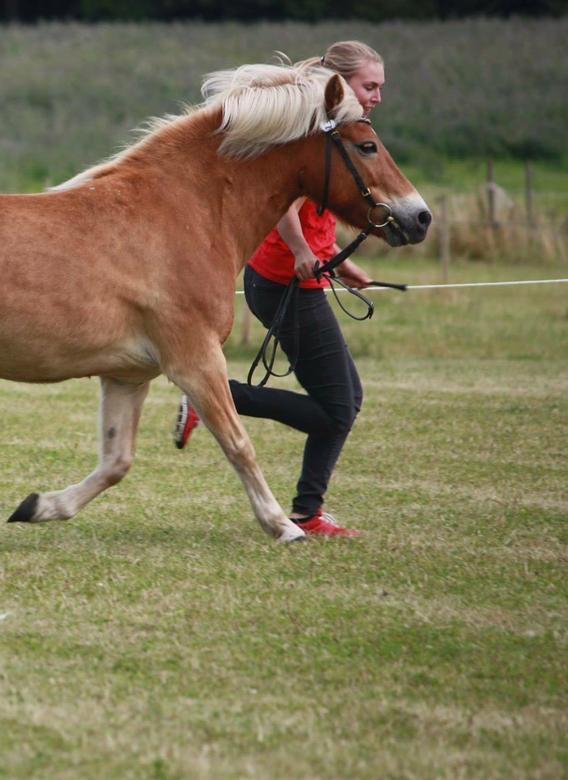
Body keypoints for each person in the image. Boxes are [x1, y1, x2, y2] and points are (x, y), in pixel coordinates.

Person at [172, 41, 386, 537]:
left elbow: (323, 202)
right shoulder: (310, 129)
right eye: (368, 86)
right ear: (341, 85)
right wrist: (300, 251)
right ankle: (214, 398)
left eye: (379, 88)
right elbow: (282, 199)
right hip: (283, 278)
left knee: (345, 401)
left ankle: (307, 507)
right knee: (338, 406)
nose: (375, 97)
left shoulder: (332, 129)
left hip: (299, 275)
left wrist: (335, 259)